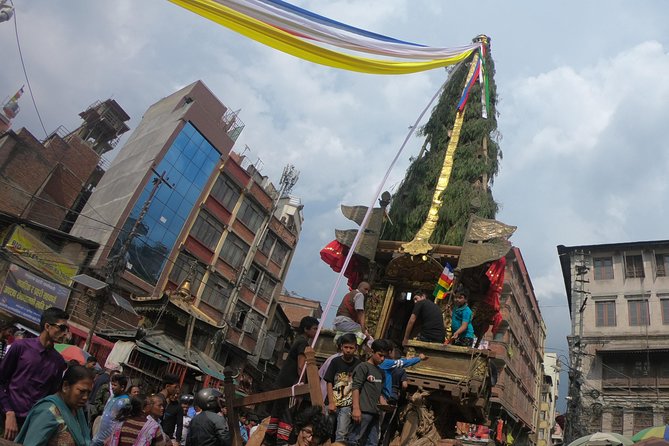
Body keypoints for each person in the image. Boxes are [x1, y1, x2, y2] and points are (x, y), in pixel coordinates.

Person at [0, 306, 69, 440]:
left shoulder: (58, 362)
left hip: (31, 427)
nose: (65, 333)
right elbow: (1, 380)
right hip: (5, 418)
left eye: (67, 329)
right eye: (62, 328)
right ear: (47, 326)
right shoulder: (20, 347)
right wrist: (9, 412)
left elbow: (50, 398)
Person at [266, 316, 319, 446]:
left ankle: (270, 441)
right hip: (291, 386)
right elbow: (301, 366)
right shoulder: (303, 343)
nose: (316, 331)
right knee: (287, 414)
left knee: (277, 413)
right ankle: (281, 443)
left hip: (282, 384)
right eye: (314, 329)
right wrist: (302, 387)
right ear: (306, 329)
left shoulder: (298, 340)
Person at [15, 365, 93, 446]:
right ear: (65, 386)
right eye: (82, 391)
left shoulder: (77, 411)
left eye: (89, 393)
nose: (85, 397)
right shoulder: (48, 412)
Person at [323, 333, 360, 443]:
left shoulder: (358, 364)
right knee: (325, 431)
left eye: (351, 348)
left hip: (347, 405)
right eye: (346, 347)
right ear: (341, 347)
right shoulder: (335, 361)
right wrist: (331, 402)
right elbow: (329, 382)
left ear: (356, 348)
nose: (348, 350)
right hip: (332, 402)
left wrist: (355, 406)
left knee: (341, 433)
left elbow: (357, 386)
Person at [349, 340, 386, 446]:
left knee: (373, 442)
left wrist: (383, 402)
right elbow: (355, 387)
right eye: (380, 355)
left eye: (384, 356)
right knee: (354, 440)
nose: (382, 359)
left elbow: (378, 391)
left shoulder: (380, 372)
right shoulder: (363, 367)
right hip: (363, 412)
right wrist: (356, 409)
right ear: (372, 352)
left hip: (375, 413)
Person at [92, 373, 130, 446]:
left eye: (115, 385)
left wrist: (110, 438)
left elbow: (122, 423)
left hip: (108, 440)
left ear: (122, 387)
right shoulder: (113, 396)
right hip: (98, 437)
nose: (112, 387)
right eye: (112, 384)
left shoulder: (125, 402)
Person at [159, 374, 182, 445]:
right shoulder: (159, 400)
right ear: (167, 386)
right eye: (175, 387)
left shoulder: (175, 406)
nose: (176, 390)